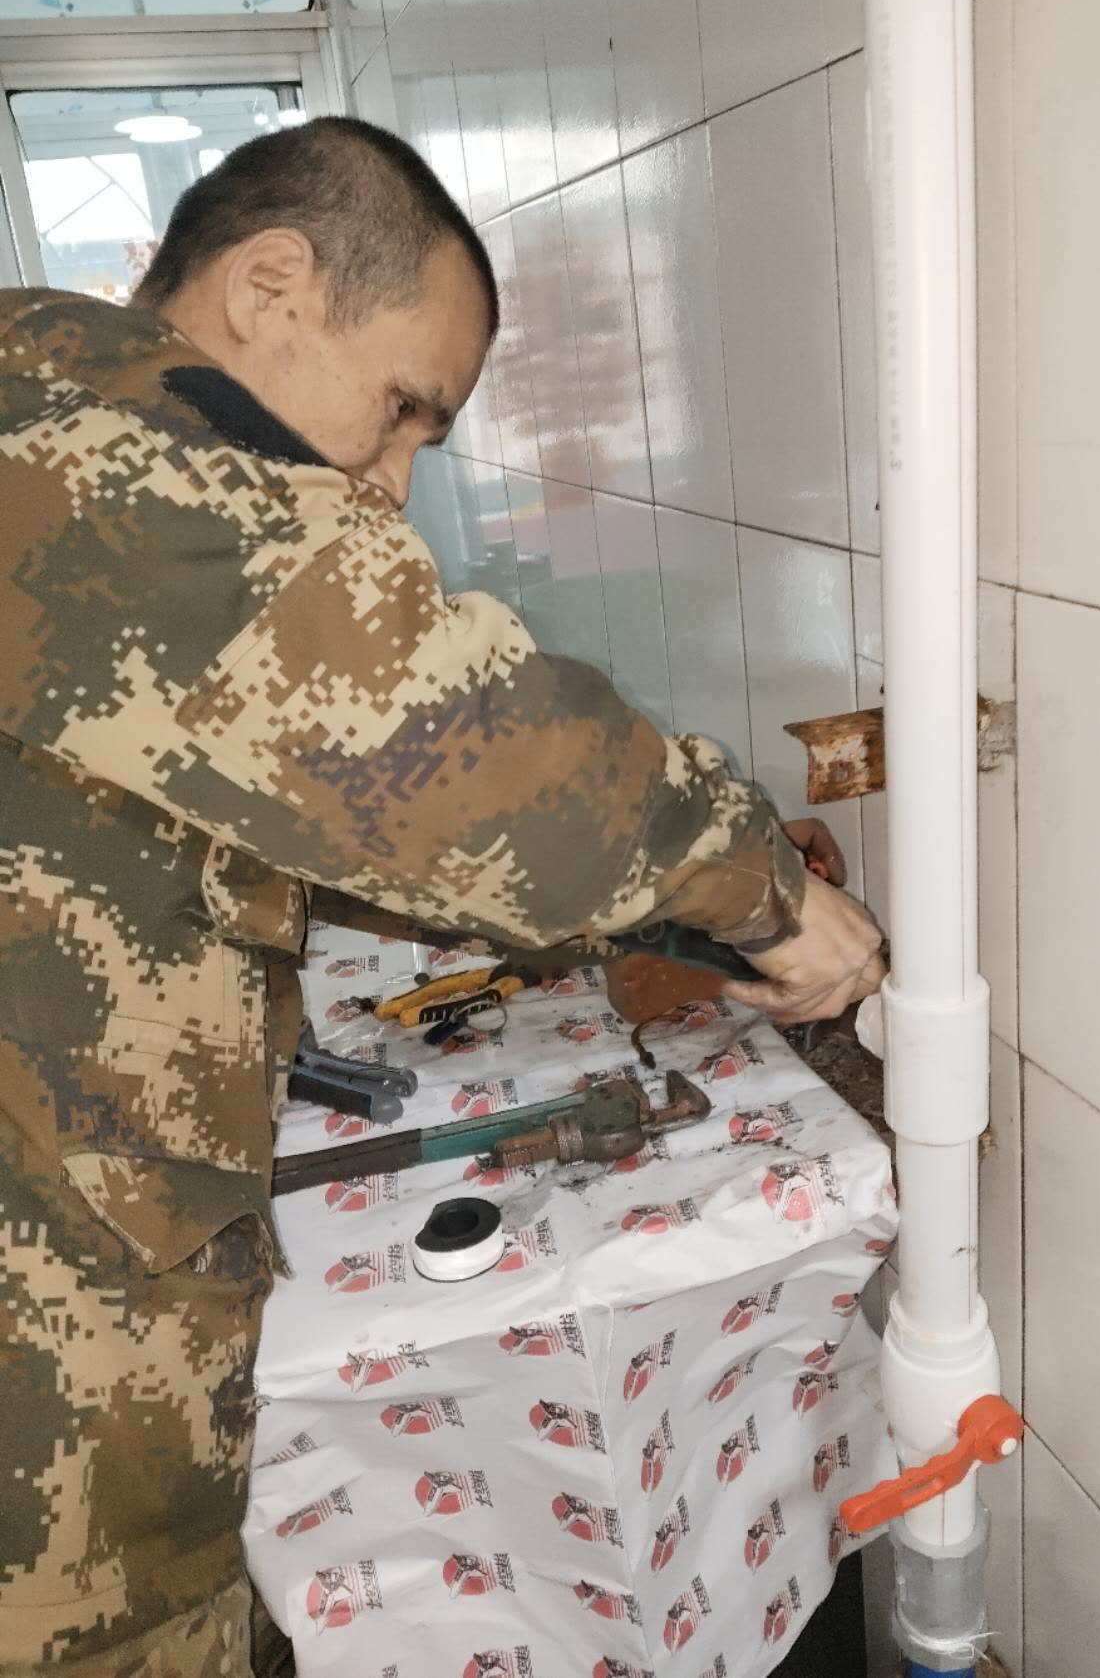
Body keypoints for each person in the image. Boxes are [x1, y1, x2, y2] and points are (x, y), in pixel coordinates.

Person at [0, 116, 884, 1676]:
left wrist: (641, 917)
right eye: (404, 410)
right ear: (271, 287)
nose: (399, 484)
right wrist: (765, 890)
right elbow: (467, 758)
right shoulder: (109, 459)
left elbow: (273, 818)